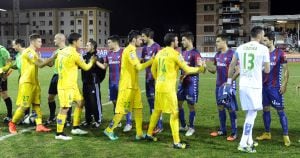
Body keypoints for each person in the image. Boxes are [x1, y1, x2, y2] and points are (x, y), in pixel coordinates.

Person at [146, 33, 206, 149]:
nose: (178, 42)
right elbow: (187, 69)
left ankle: (149, 134)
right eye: (177, 40)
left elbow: (153, 70)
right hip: (168, 89)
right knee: (174, 113)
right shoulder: (176, 54)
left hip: (159, 86)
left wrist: (158, 79)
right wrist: (201, 68)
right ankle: (177, 142)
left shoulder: (159, 53)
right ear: (173, 42)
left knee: (157, 111)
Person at [103, 30, 153, 140]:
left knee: (138, 108)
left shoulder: (132, 51)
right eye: (140, 39)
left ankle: (139, 133)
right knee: (122, 110)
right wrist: (151, 60)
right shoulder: (129, 50)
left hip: (134, 86)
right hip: (127, 86)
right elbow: (139, 67)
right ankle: (109, 130)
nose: (141, 40)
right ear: (134, 39)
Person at [227, 26, 270, 153]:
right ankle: (242, 143)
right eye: (263, 35)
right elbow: (267, 70)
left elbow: (232, 65)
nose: (263, 37)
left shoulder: (240, 48)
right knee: (252, 114)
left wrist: (229, 82)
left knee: (249, 113)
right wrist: (259, 67)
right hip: (254, 86)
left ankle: (249, 140)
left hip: (243, 85)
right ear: (260, 35)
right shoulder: (263, 49)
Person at [8, 34, 56, 134]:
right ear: (33, 42)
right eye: (39, 41)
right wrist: (53, 57)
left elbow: (49, 64)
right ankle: (12, 124)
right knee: (24, 105)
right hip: (27, 82)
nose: (41, 43)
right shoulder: (28, 52)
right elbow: (40, 64)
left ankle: (39, 125)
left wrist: (54, 57)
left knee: (36, 104)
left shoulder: (34, 53)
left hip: (34, 82)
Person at [55, 33, 96, 140]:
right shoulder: (75, 54)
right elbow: (86, 67)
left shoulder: (62, 51)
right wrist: (92, 61)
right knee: (64, 108)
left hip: (71, 84)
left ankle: (75, 127)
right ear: (74, 41)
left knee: (80, 102)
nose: (81, 42)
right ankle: (59, 133)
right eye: (80, 40)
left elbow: (58, 66)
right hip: (66, 86)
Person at [256, 31, 290, 146]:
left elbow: (286, 70)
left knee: (280, 111)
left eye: (265, 40)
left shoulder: (280, 53)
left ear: (271, 40)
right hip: (264, 88)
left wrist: (284, 84)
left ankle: (285, 135)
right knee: (265, 110)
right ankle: (267, 133)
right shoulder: (262, 54)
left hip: (275, 88)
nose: (263, 42)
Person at [206, 34, 240, 141]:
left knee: (231, 109)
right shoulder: (217, 55)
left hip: (229, 86)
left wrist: (229, 82)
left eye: (217, 41)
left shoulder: (232, 54)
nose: (216, 43)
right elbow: (214, 71)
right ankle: (222, 130)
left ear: (224, 41)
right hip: (218, 86)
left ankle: (234, 133)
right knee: (220, 107)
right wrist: (205, 66)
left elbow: (239, 70)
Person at [96, 35, 132, 131]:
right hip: (112, 83)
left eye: (109, 42)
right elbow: (104, 67)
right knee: (114, 101)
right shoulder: (109, 54)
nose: (107, 44)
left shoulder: (123, 52)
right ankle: (118, 121)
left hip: (122, 82)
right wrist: (95, 62)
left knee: (124, 103)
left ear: (115, 42)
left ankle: (129, 122)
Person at [177, 32, 205, 136]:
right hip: (182, 82)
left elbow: (199, 69)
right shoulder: (183, 53)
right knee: (178, 104)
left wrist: (187, 72)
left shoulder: (195, 53)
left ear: (189, 40)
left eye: (183, 40)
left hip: (191, 82)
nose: (182, 42)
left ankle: (191, 127)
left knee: (191, 105)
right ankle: (183, 125)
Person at [45, 33, 72, 126]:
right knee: (50, 97)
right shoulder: (56, 51)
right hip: (55, 76)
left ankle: (68, 119)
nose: (54, 41)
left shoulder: (69, 50)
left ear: (61, 39)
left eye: (55, 39)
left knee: (64, 99)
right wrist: (41, 60)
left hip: (64, 77)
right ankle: (52, 116)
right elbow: (51, 64)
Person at [141, 28, 163, 134]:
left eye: (143, 36)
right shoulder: (144, 49)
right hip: (147, 79)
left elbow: (159, 63)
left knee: (156, 103)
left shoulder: (157, 47)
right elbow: (143, 61)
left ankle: (159, 125)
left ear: (149, 36)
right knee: (150, 103)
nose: (142, 38)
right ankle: (153, 124)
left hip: (155, 80)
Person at [81, 39, 105, 128]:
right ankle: (88, 120)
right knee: (87, 102)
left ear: (93, 47)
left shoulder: (98, 57)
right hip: (85, 82)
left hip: (93, 83)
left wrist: (97, 80)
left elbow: (103, 71)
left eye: (87, 45)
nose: (86, 47)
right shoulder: (84, 56)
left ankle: (98, 120)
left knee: (95, 102)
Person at [0, 44, 13, 123]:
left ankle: (9, 115)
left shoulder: (2, 50)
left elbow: (9, 63)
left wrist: (5, 74)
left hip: (1, 75)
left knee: (4, 94)